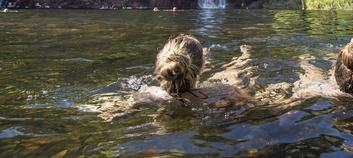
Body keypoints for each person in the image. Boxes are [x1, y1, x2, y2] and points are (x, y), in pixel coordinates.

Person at [96, 34, 252, 120]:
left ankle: (243, 58)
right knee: (233, 75)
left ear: (160, 66)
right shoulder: (225, 91)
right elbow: (266, 107)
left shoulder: (146, 94)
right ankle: (245, 57)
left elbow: (109, 114)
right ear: (201, 68)